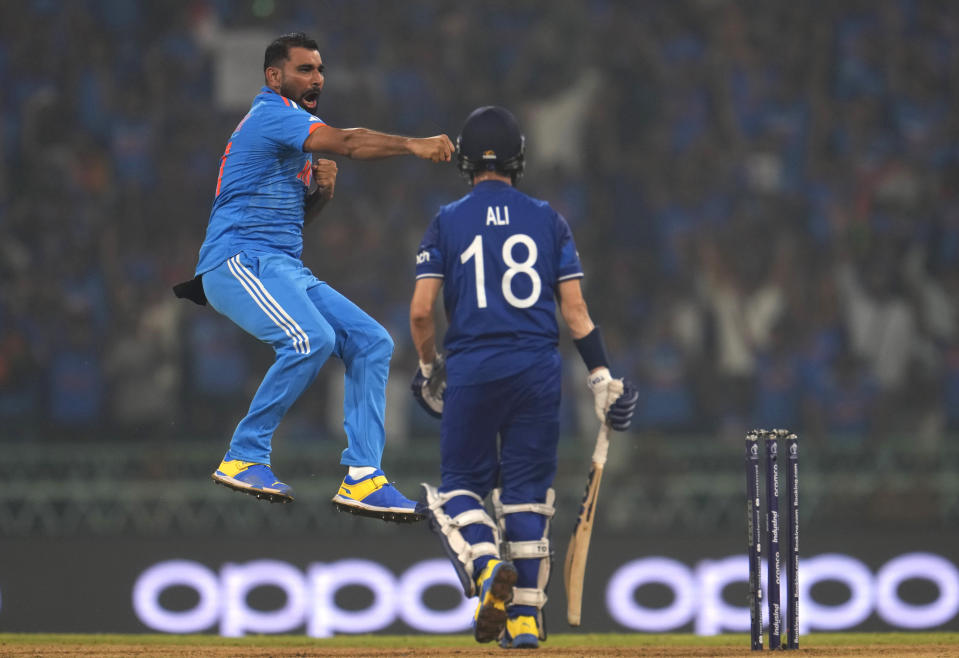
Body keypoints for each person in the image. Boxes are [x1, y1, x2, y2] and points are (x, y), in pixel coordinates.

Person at [174, 32, 454, 523]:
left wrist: (320, 196)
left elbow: (292, 220)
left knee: (372, 342)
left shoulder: (294, 131)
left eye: (319, 69)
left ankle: (364, 476)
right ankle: (244, 455)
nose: (316, 78)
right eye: (304, 69)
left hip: (280, 264)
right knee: (310, 339)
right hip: (237, 259)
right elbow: (348, 142)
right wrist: (413, 144)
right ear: (273, 77)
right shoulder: (272, 115)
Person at [408, 106, 637, 648]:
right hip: (538, 369)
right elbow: (576, 313)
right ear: (519, 160)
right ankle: (527, 622)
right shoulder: (548, 218)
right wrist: (602, 376)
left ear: (465, 162)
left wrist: (426, 368)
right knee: (528, 498)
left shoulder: (447, 219)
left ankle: (488, 570)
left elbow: (421, 312)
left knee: (460, 488)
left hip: (473, 366)